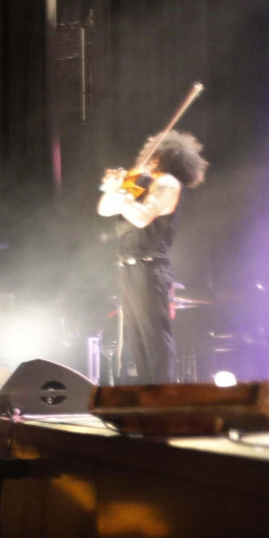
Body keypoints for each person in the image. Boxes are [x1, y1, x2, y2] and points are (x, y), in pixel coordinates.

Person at [97, 131, 208, 384]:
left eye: (152, 156)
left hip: (150, 267)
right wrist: (115, 189)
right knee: (137, 340)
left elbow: (142, 217)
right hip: (128, 268)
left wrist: (122, 194)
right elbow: (104, 209)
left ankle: (163, 401)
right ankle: (148, 400)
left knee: (154, 338)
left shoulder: (168, 183)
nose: (145, 159)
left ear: (162, 158)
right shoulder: (140, 186)